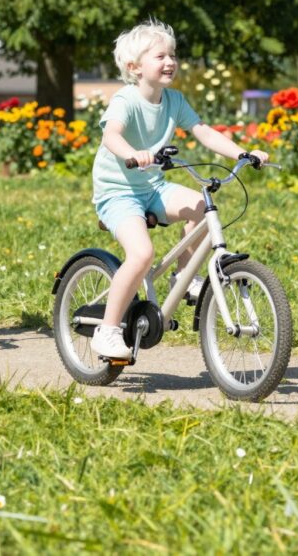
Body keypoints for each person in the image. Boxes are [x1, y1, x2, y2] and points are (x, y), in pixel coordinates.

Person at [90, 20, 269, 360]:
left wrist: (242, 153)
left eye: (173, 55)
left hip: (153, 185)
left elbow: (204, 132)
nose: (170, 61)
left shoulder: (174, 101)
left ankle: (183, 279)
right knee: (141, 254)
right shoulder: (125, 100)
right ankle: (108, 331)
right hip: (118, 191)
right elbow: (111, 135)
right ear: (134, 67)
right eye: (160, 56)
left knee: (203, 209)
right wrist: (133, 154)